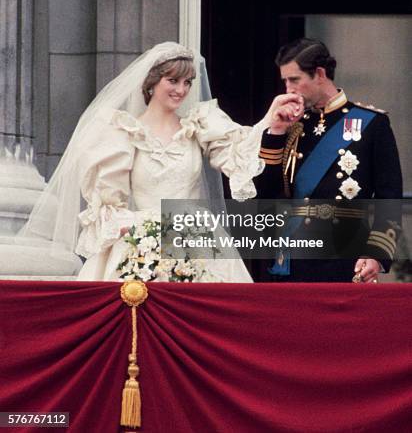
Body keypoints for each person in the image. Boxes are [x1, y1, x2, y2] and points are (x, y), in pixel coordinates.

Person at [23, 41, 272, 282]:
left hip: (197, 239)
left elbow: (239, 157)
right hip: (142, 243)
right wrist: (145, 235)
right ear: (152, 83)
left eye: (187, 82)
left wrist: (270, 122)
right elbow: (109, 207)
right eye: (173, 80)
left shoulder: (199, 126)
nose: (182, 90)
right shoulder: (123, 133)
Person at [253, 38, 403, 283]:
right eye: (285, 81)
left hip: (347, 257)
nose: (288, 89)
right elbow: (264, 196)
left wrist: (376, 253)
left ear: (319, 74)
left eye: (294, 80)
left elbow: (390, 198)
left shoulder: (372, 123)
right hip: (295, 259)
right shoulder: (291, 126)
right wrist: (276, 132)